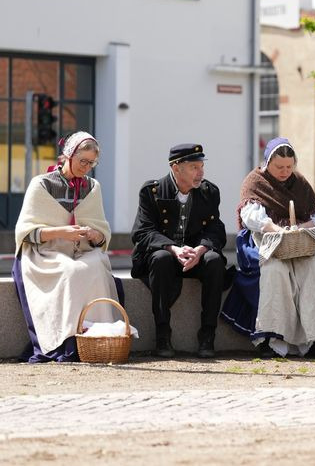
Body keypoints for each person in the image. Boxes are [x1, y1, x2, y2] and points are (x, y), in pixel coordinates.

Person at [222, 137, 315, 357]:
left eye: (289, 166)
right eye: (279, 167)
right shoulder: (254, 181)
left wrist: (305, 226)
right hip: (264, 238)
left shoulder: (300, 181)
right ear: (268, 162)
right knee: (275, 271)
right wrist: (276, 230)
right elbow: (251, 216)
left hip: (300, 241)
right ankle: (273, 338)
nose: (285, 171)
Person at [14, 132, 122, 362]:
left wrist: (95, 234)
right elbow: (26, 233)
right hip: (44, 252)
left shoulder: (92, 187)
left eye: (92, 163)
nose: (87, 167)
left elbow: (102, 234)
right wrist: (62, 232)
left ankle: (96, 338)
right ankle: (66, 341)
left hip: (81, 250)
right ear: (68, 155)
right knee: (71, 271)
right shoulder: (41, 184)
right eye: (83, 161)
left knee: (95, 266)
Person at [131, 143, 227, 359]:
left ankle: (207, 335)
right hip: (166, 255)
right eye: (194, 167)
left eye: (202, 166)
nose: (200, 172)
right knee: (161, 259)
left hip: (195, 256)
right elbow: (143, 231)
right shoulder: (152, 192)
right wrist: (172, 247)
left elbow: (215, 228)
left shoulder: (209, 192)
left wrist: (201, 249)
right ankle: (163, 335)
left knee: (214, 261)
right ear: (176, 168)